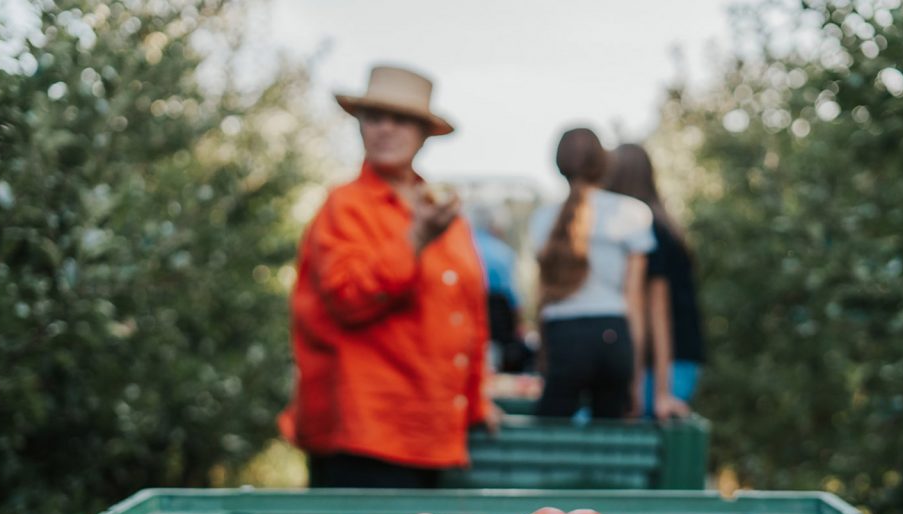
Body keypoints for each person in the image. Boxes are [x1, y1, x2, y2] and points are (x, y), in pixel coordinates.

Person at [277, 65, 497, 488]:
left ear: (422, 133)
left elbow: (469, 313)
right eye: (374, 118)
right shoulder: (345, 207)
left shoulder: (444, 214)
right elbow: (348, 299)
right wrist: (414, 239)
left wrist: (474, 398)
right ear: (360, 126)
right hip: (367, 436)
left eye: (401, 120)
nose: (385, 129)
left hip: (435, 433)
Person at [530, 128, 655, 419]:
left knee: (550, 434)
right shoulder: (633, 213)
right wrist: (634, 380)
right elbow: (634, 300)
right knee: (609, 442)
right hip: (613, 334)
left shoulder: (542, 220)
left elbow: (542, 296)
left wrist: (545, 355)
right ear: (603, 162)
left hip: (563, 335)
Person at [603, 143, 705, 419]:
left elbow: (656, 311)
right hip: (676, 361)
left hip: (663, 366)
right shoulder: (664, 226)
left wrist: (659, 390)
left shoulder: (646, 230)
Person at [467, 203, 532, 373]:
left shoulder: (463, 250)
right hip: (499, 326)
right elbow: (513, 298)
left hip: (468, 321)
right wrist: (521, 324)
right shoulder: (504, 253)